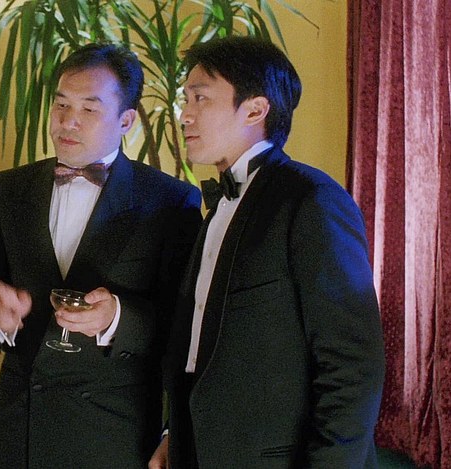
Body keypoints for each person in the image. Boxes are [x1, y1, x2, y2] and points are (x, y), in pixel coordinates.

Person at [150, 36, 385, 469]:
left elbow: (353, 365)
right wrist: (175, 435)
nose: (185, 115)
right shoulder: (216, 208)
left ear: (255, 110)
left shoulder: (312, 199)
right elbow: (199, 349)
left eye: (201, 98)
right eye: (186, 100)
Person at [0, 43, 203, 469]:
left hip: (110, 438)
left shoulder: (170, 201)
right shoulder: (10, 188)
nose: (67, 121)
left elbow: (184, 324)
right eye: (61, 104)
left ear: (126, 121)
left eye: (89, 109)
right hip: (19, 433)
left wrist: (116, 318)